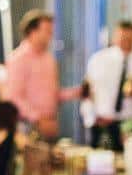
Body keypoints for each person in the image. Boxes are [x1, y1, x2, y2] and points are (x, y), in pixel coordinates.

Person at [6, 9, 81, 141]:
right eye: (47, 31)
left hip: (50, 122)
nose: (50, 35)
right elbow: (15, 97)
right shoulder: (18, 58)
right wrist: (39, 119)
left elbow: (53, 94)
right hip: (29, 125)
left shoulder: (48, 59)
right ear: (32, 32)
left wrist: (76, 93)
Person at [83, 21, 132, 150]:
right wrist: (90, 118)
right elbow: (88, 92)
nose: (126, 42)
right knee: (101, 165)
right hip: (103, 123)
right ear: (114, 37)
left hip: (131, 124)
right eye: (122, 38)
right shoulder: (98, 59)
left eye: (129, 39)